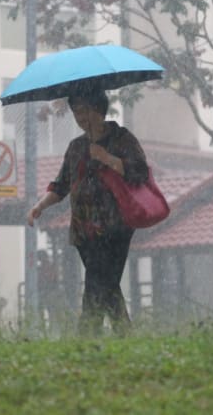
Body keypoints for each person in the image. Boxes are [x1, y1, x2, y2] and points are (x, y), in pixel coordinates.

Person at [27, 89, 149, 336]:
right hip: (84, 230)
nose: (81, 117)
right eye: (76, 112)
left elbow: (140, 173)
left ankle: (86, 336)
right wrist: (40, 206)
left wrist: (107, 158)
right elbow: (61, 185)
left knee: (97, 282)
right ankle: (125, 334)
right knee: (106, 284)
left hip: (116, 227)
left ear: (99, 109)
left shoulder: (121, 138)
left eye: (85, 111)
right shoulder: (76, 147)